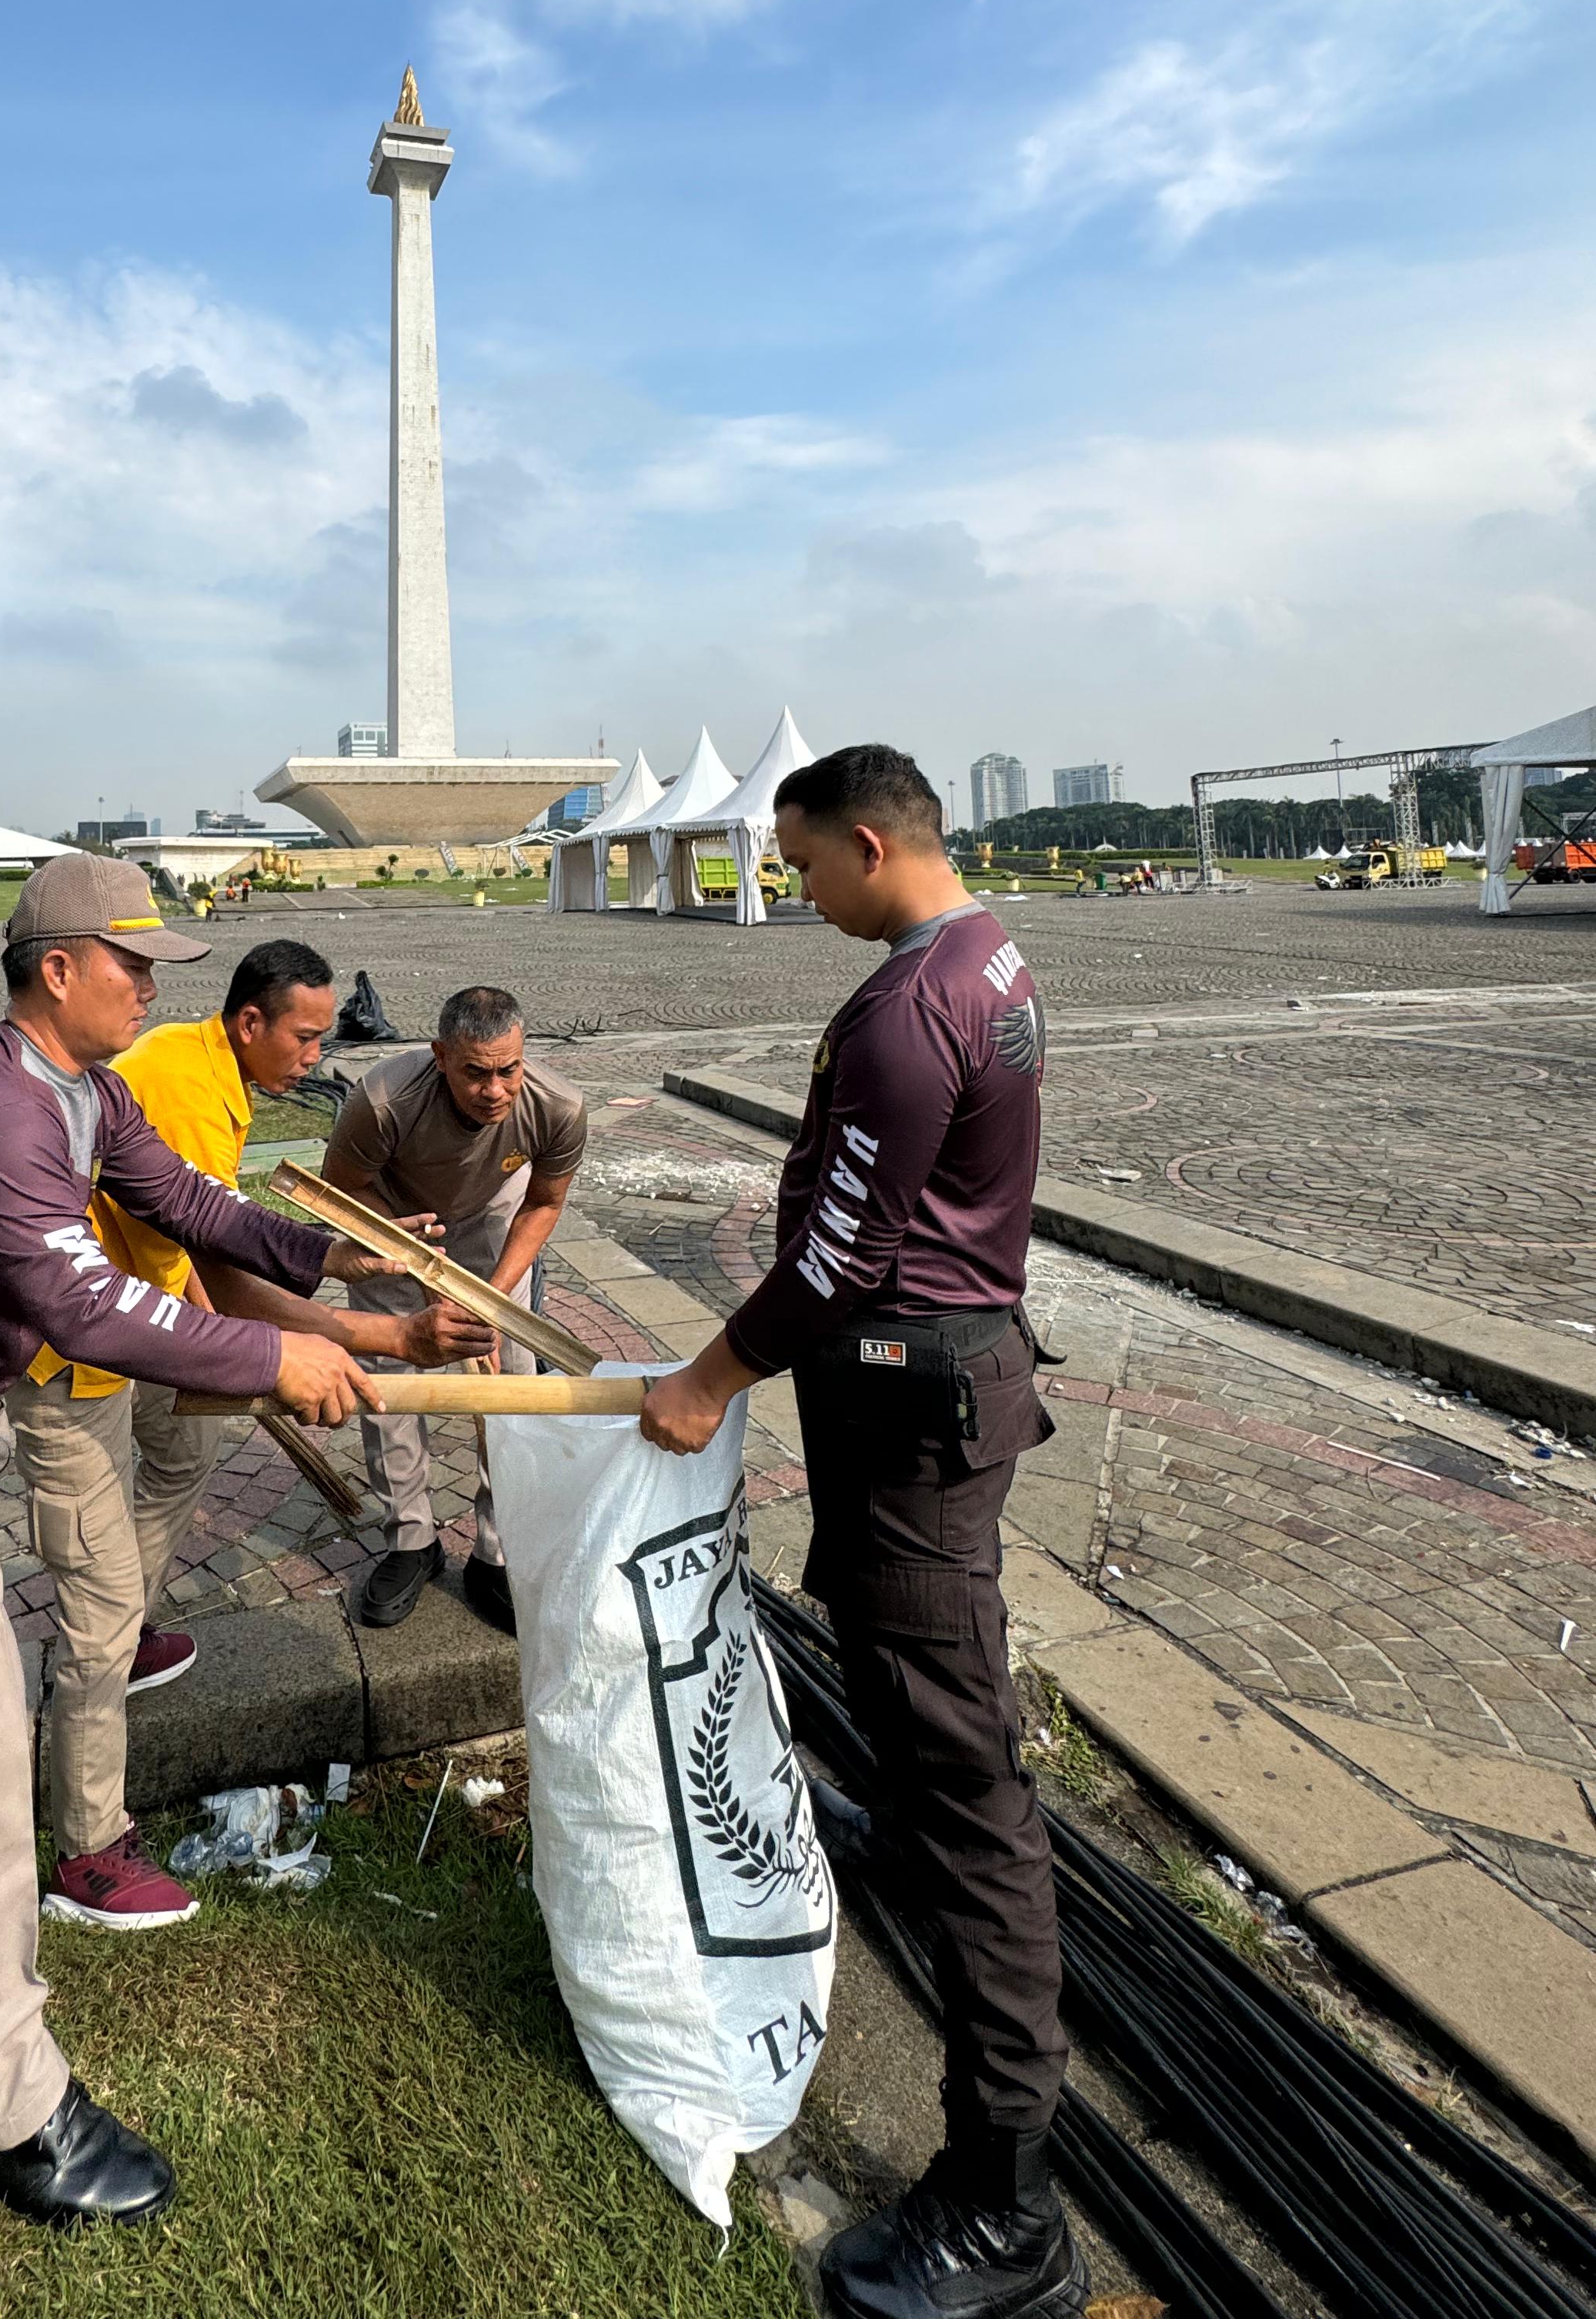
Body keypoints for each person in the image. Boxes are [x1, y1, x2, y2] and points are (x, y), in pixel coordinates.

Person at [0, 854, 410, 2236]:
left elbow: (190, 1205)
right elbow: (90, 1304)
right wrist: (274, 1356)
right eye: (133, 961)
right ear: (56, 966)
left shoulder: (80, 1086)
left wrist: (335, 1266)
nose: (153, 982)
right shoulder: (1, 1108)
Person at [639, 747, 1083, 2319]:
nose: (797, 887)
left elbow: (840, 1253)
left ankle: (1005, 2196)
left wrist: (706, 1379)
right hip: (943, 1384)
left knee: (969, 1783)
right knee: (908, 1698)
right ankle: (900, 1817)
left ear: (871, 840)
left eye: (805, 861)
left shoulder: (910, 1007)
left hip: (918, 1398)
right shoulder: (989, 955)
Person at [9, 936, 494, 1929]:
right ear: (249, 1025)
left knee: (184, 1452)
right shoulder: (173, 1091)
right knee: (93, 1605)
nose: (318, 1057)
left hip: (144, 1314)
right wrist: (382, 1333)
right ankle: (88, 1848)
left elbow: (215, 1225)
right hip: (78, 1351)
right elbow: (229, 1277)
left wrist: (338, 1262)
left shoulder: (195, 1073)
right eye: (307, 1039)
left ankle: (126, 1628)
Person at [322, 982, 586, 1635]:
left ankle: (497, 1550)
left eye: (508, 1070)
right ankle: (411, 1538)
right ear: (440, 1056)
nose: (494, 1089)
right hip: (393, 1223)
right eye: (475, 1073)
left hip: (495, 1219)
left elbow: (543, 1205)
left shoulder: (557, 1107)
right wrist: (429, 1282)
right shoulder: (383, 1100)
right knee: (392, 1388)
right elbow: (340, 1191)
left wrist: (491, 1300)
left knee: (509, 1388)